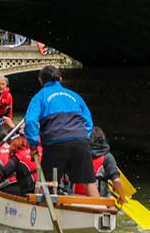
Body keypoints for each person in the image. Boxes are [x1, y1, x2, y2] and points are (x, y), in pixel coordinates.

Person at [23, 65, 99, 197]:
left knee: (46, 183)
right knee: (89, 182)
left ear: (41, 81)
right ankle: (100, 210)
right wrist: (82, 137)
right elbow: (88, 122)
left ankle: (44, 210)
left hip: (55, 143)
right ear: (60, 79)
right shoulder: (75, 96)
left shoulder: (39, 96)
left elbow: (30, 122)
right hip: (80, 142)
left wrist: (33, 143)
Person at [83, 126, 125, 198]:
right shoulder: (107, 157)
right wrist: (122, 198)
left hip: (74, 198)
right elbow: (117, 181)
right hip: (99, 200)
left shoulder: (76, 156)